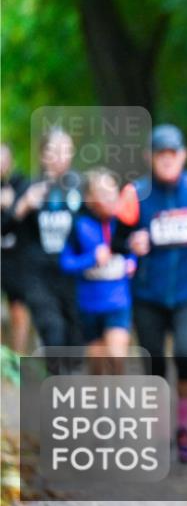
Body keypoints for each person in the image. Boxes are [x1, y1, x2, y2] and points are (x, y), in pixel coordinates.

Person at [114, 124, 187, 463]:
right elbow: (116, 239)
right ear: (149, 158)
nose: (167, 161)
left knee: (186, 354)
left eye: (173, 154)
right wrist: (129, 244)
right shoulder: (134, 194)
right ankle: (158, 428)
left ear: (183, 155)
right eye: (160, 155)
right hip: (148, 294)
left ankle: (183, 426)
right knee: (153, 361)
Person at [9, 128, 85, 351]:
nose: (61, 156)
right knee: (53, 330)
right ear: (43, 155)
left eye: (66, 150)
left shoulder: (80, 187)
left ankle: (69, 379)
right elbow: (5, 228)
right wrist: (22, 207)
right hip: (38, 274)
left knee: (75, 335)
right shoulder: (28, 187)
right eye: (54, 150)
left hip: (73, 273)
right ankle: (56, 379)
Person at [59, 168, 135, 374]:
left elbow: (136, 249)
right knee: (97, 364)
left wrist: (132, 262)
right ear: (89, 198)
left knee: (116, 356)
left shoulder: (125, 223)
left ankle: (118, 402)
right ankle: (100, 402)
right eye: (102, 193)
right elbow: (65, 263)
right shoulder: (79, 225)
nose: (110, 198)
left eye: (113, 191)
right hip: (89, 305)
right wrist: (91, 259)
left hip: (118, 301)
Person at [1, 142, 32, 353]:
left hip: (16, 259)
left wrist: (10, 206)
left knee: (19, 309)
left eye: (4, 158)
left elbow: (25, 217)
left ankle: (16, 360)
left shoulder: (20, 183)